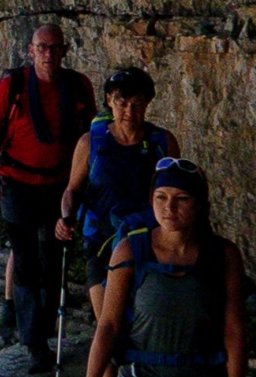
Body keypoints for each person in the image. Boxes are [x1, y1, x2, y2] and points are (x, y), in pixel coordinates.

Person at [0, 24, 97, 372]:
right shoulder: (12, 85)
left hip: (60, 187)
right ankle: (35, 342)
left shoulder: (77, 86)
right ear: (31, 51)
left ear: (64, 51)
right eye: (42, 47)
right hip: (17, 184)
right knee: (27, 262)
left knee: (52, 261)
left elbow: (89, 132)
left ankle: (41, 331)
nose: (48, 53)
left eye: (54, 47)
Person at [86, 158, 246, 377]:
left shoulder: (223, 254)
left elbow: (233, 329)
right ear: (151, 200)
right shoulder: (130, 250)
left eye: (182, 198)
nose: (169, 207)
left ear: (198, 203)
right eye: (161, 197)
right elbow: (108, 326)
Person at [55, 68, 181, 337]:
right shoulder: (91, 143)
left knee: (143, 327)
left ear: (148, 104)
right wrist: (66, 217)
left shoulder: (163, 143)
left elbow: (177, 193)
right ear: (109, 101)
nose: (129, 112)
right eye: (121, 103)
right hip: (101, 240)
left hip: (148, 242)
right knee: (107, 328)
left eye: (137, 105)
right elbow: (73, 190)